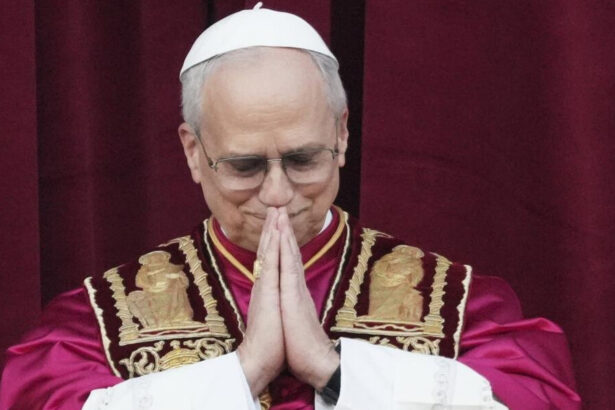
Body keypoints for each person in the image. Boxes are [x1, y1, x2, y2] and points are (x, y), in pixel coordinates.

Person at [0, 4, 581, 409]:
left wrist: (332, 370)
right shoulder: (99, 322)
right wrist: (245, 371)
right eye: (245, 166)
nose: (278, 194)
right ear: (194, 152)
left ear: (342, 135)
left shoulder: (458, 306)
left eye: (304, 160)